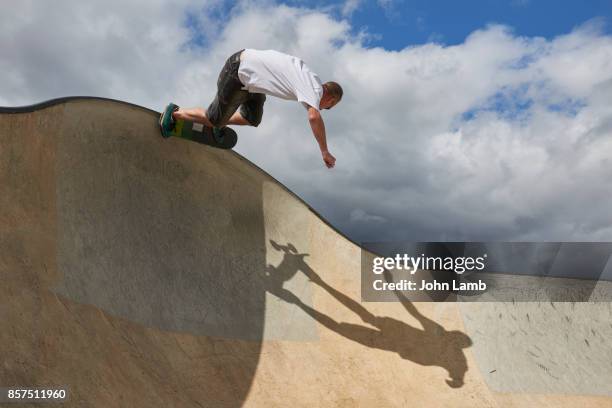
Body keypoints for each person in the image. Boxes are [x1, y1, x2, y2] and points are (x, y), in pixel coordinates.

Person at [159, 49, 343, 168]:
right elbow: (313, 117)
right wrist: (324, 151)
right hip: (238, 73)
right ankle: (175, 113)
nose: (324, 108)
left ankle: (218, 125)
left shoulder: (309, 81)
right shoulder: (314, 89)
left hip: (252, 81)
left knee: (252, 118)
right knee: (215, 117)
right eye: (329, 107)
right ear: (331, 99)